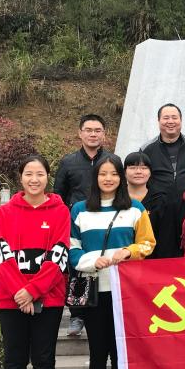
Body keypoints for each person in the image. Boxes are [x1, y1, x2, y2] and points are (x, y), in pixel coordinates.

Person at [69, 155, 156, 369]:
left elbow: (147, 243)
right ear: (95, 177)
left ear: (121, 177)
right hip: (94, 290)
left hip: (124, 293)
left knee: (120, 354)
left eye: (114, 174)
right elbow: (71, 248)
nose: (108, 179)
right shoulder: (80, 210)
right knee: (98, 353)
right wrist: (91, 262)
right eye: (103, 174)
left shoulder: (135, 209)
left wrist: (128, 252)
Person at [0, 154, 70, 369]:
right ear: (20, 177)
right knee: (13, 360)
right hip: (10, 299)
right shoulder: (5, 212)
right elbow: (1, 255)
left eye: (39, 174)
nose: (34, 179)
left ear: (48, 177)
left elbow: (59, 255)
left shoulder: (60, 212)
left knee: (44, 359)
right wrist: (20, 292)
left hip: (48, 299)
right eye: (28, 174)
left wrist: (34, 291)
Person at [54, 113, 120, 338]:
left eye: (98, 130)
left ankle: (110, 308)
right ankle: (77, 314)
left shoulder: (112, 160)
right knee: (78, 266)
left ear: (104, 134)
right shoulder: (68, 162)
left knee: (106, 265)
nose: (93, 134)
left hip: (107, 222)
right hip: (79, 223)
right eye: (89, 130)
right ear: (80, 133)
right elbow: (59, 195)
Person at [140, 103, 185, 198]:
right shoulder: (146, 149)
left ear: (181, 120)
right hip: (156, 202)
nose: (170, 121)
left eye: (174, 118)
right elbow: (140, 178)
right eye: (166, 118)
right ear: (158, 121)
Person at [124, 150, 170, 258]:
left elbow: (165, 237)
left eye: (144, 168)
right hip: (120, 259)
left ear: (150, 172)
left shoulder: (161, 200)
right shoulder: (115, 199)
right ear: (124, 172)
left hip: (152, 260)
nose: (138, 171)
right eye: (133, 167)